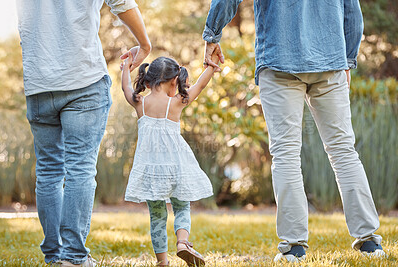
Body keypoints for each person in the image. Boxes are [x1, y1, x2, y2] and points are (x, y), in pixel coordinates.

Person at [202, 0, 385, 263]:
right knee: (343, 152)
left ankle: (294, 247)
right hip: (330, 59)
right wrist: (348, 58)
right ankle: (369, 242)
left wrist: (212, 33)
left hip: (279, 60)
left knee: (286, 155)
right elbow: (351, 10)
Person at [16, 0, 151, 266]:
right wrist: (145, 44)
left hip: (39, 84)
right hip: (83, 79)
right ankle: (74, 257)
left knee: (48, 171)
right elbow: (121, 2)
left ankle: (55, 257)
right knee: (80, 168)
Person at [120, 53, 219, 266]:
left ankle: (162, 261)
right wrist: (211, 67)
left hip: (151, 171)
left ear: (148, 81)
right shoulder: (176, 102)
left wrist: (126, 69)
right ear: (175, 81)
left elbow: (125, 89)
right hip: (176, 167)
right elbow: (199, 87)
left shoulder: (140, 103)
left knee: (157, 216)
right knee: (182, 207)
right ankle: (183, 243)